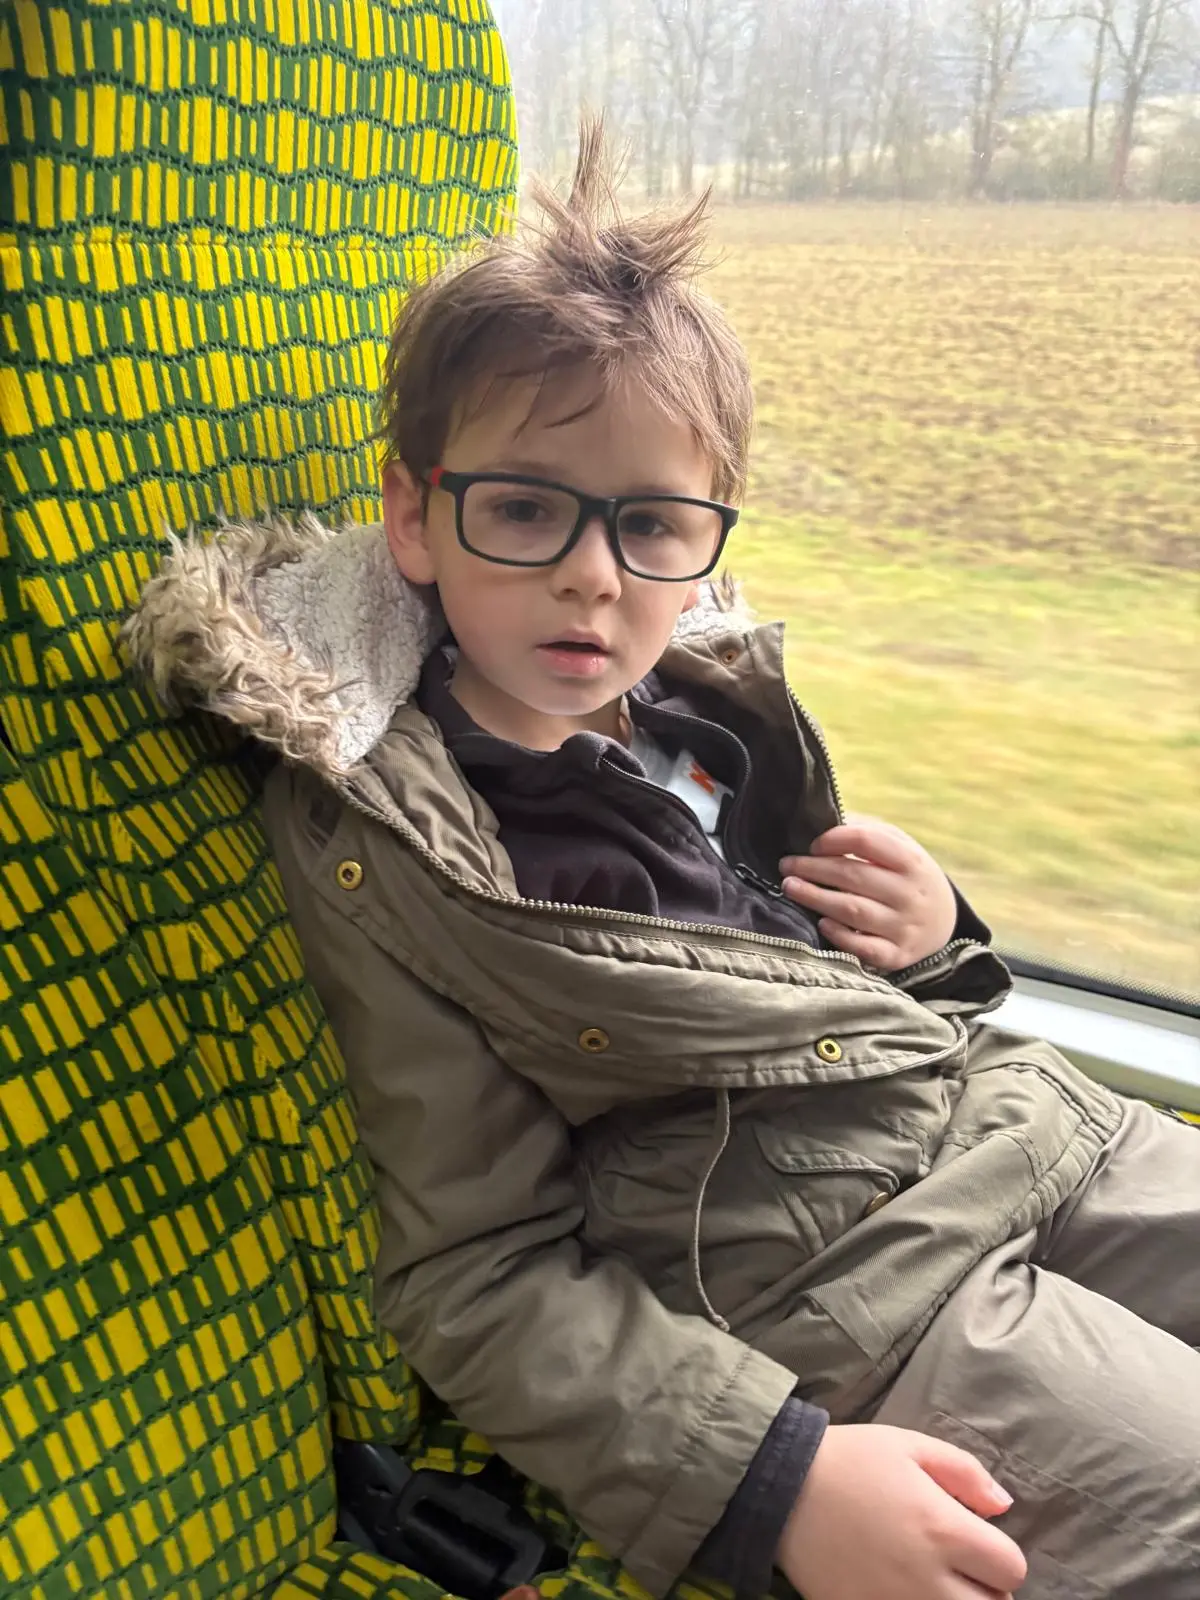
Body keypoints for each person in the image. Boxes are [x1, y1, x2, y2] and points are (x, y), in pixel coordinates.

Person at [126, 124, 1200, 1600]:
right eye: (524, 509)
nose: (593, 573)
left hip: (1030, 1129)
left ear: (705, 541)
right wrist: (776, 1483)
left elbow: (819, 1004)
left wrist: (935, 935)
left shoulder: (705, 716)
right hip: (855, 1290)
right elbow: (476, 1273)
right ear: (414, 517)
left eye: (650, 525)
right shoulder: (404, 853)